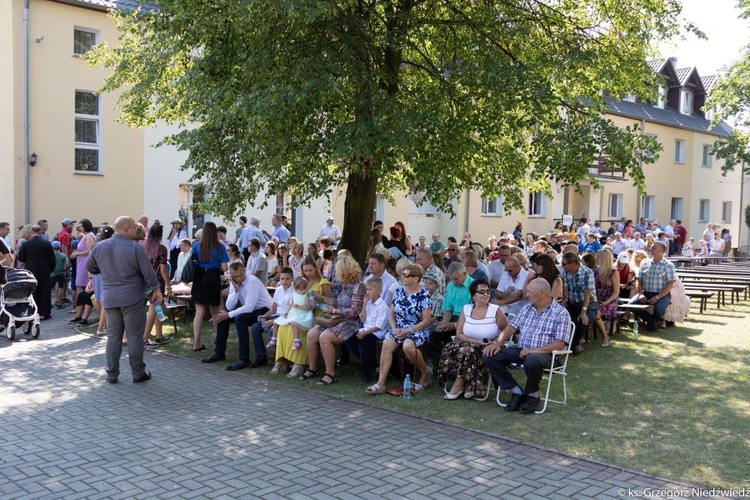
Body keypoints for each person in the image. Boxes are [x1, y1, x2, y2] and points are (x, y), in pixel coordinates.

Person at [86, 216, 162, 384]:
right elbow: (148, 272)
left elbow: (90, 266)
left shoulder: (99, 247)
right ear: (127, 229)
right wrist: (156, 289)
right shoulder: (135, 248)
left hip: (111, 298)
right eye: (134, 228)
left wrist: (105, 270)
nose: (136, 231)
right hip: (132, 298)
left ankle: (112, 374)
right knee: (134, 337)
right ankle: (138, 373)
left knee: (113, 337)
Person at [482, 279, 572, 414]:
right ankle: (516, 391)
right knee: (490, 354)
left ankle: (532, 395)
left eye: (530, 292)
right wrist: (498, 343)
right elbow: (511, 328)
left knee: (533, 359)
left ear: (542, 293)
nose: (526, 294)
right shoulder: (527, 308)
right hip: (522, 350)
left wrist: (533, 351)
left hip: (546, 355)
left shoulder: (560, 313)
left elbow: (560, 343)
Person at [365, 263, 432, 394]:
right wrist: (395, 328)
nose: (402, 277)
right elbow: (391, 313)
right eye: (402, 274)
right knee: (386, 344)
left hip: (417, 329)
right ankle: (381, 383)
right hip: (398, 328)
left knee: (408, 346)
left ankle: (425, 371)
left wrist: (409, 330)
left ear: (416, 278)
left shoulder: (423, 294)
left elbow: (427, 320)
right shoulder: (399, 291)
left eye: (406, 275)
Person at [439, 278, 508, 400]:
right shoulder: (466, 309)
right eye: (481, 291)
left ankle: (458, 386)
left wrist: (497, 342)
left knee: (469, 351)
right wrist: (476, 341)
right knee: (452, 347)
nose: (486, 294)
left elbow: (507, 330)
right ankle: (469, 385)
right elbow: (459, 333)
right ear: (473, 295)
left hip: (488, 345)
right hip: (468, 342)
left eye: (487, 291)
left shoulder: (495, 310)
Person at [304, 255, 367, 385]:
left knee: (325, 337)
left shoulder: (359, 286)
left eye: (338, 271)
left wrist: (333, 311)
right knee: (312, 334)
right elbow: (338, 302)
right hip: (338, 319)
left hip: (352, 322)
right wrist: (321, 298)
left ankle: (330, 374)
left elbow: (355, 311)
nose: (336, 274)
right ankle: (313, 368)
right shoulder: (345, 285)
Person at [201, 262, 273, 370]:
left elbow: (249, 307)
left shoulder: (252, 281)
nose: (238, 278)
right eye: (235, 276)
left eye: (240, 275)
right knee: (222, 317)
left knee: (239, 319)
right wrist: (235, 289)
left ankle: (244, 359)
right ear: (230, 275)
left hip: (265, 310)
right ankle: (219, 352)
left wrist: (229, 315)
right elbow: (230, 306)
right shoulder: (234, 282)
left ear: (244, 271)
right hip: (252, 310)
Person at [273, 256, 332, 376]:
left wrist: (320, 298)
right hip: (300, 314)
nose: (308, 273)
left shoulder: (322, 283)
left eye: (310, 270)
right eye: (305, 271)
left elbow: (332, 301)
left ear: (316, 268)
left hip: (317, 317)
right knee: (283, 328)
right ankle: (282, 360)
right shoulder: (302, 282)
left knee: (297, 330)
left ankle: (298, 364)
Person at [190, 222, 230, 352]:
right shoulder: (220, 247)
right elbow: (224, 268)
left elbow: (192, 262)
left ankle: (196, 343)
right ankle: (219, 341)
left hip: (199, 277)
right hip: (213, 277)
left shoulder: (196, 245)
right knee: (215, 311)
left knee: (199, 312)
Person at [628, 241, 675, 331]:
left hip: (662, 294)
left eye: (653, 248)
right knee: (631, 305)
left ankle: (652, 321)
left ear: (661, 251)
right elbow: (639, 281)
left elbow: (670, 285)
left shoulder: (668, 265)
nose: (650, 249)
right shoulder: (645, 263)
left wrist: (657, 297)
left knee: (658, 309)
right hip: (646, 292)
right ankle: (652, 321)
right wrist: (641, 293)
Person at [561, 252, 598, 354]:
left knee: (582, 320)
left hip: (589, 305)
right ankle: (569, 345)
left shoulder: (587, 272)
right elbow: (565, 287)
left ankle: (573, 345)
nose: (562, 266)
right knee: (561, 318)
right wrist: (565, 300)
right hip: (573, 303)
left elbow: (587, 293)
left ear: (573, 264)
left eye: (564, 264)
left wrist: (583, 311)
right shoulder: (566, 272)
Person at [17, 225, 55, 320]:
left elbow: (21, 257)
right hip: (44, 269)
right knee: (45, 290)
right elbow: (52, 259)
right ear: (40, 231)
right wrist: (50, 269)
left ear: (31, 232)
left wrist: (29, 261)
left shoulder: (26, 244)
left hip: (31, 269)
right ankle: (45, 312)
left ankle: (32, 310)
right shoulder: (47, 244)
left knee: (32, 290)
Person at [142, 223, 172, 347]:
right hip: (157, 283)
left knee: (157, 307)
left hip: (144, 281)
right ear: (160, 235)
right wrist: (168, 285)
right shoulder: (162, 249)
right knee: (153, 309)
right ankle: (145, 338)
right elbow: (163, 270)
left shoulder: (143, 247)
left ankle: (159, 335)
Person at [268, 276, 315, 351]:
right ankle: (274, 339)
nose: (300, 291)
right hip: (293, 313)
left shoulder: (306, 296)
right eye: (298, 289)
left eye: (303, 289)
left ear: (306, 289)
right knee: (275, 322)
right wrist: (286, 312)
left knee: (293, 323)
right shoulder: (294, 295)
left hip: (302, 314)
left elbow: (307, 307)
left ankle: (297, 341)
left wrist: (298, 306)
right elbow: (291, 305)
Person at [592, 249, 620, 347]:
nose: (596, 258)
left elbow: (616, 292)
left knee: (595, 314)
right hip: (596, 300)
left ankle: (605, 336)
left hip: (609, 301)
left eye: (598, 257)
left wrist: (606, 302)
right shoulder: (594, 271)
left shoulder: (613, 272)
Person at [50, 241, 70, 309]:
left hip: (52, 273)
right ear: (59, 247)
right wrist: (66, 271)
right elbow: (67, 264)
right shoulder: (63, 255)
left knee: (49, 288)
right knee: (60, 287)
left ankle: (49, 302)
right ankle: (59, 302)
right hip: (61, 273)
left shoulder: (51, 255)